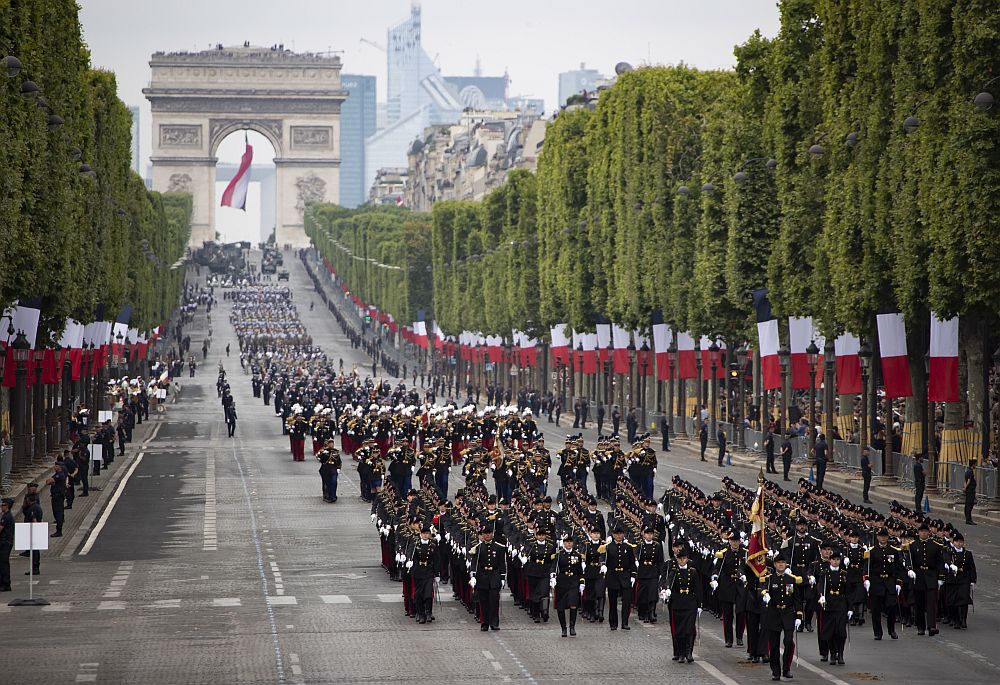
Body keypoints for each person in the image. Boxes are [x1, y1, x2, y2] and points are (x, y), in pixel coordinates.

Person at [762, 554, 802, 681]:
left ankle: (786, 668)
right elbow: (763, 589)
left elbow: (796, 599)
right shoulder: (770, 579)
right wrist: (764, 594)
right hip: (774, 614)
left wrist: (799, 615)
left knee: (789, 641)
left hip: (788, 613)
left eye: (783, 563)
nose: (781, 565)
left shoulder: (791, 579)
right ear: (774, 565)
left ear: (786, 565)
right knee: (773, 645)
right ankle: (775, 671)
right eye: (778, 563)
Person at [661, 547, 703, 664]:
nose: (682, 561)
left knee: (689, 629)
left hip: (690, 603)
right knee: (679, 630)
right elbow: (669, 581)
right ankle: (680, 653)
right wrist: (667, 589)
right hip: (678, 603)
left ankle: (689, 652)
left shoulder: (693, 572)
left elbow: (698, 589)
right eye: (680, 559)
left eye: (684, 559)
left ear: (687, 559)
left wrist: (700, 605)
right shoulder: (674, 572)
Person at [865, 527, 903, 640]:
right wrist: (866, 579)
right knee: (876, 610)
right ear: (877, 537)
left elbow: (898, 568)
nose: (883, 538)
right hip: (876, 583)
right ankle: (878, 632)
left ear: (887, 537)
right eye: (881, 536)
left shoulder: (893, 551)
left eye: (885, 536)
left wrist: (898, 582)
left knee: (891, 607)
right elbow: (867, 568)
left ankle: (891, 630)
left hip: (889, 582)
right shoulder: (871, 551)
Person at [907, 521, 943, 636]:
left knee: (931, 603)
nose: (923, 533)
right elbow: (909, 560)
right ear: (918, 533)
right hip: (918, 576)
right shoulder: (913, 546)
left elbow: (939, 563)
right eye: (922, 532)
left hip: (931, 576)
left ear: (929, 532)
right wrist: (910, 570)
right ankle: (920, 626)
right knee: (919, 603)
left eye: (925, 532)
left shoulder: (935, 546)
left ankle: (932, 626)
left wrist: (940, 577)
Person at [469, 525, 506, 631]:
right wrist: (473, 576)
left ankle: (494, 622)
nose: (488, 535)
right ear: (482, 535)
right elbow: (474, 563)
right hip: (482, 576)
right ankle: (484, 622)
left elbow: (501, 563)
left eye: (489, 533)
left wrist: (503, 577)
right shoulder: (478, 548)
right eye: (485, 533)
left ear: (492, 534)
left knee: (494, 601)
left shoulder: (499, 547)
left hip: (494, 576)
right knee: (484, 601)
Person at [816, 549, 849, 665]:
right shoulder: (825, 573)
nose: (835, 562)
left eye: (837, 560)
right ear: (830, 561)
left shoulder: (844, 574)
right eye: (833, 559)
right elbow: (820, 586)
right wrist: (821, 596)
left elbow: (848, 591)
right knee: (830, 631)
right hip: (829, 604)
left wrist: (850, 608)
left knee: (841, 631)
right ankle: (833, 653)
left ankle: (840, 654)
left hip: (840, 604)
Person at [605, 525, 637, 631]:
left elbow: (633, 563)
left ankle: (625, 623)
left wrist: (633, 575)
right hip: (613, 576)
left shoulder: (628, 547)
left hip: (625, 576)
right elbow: (604, 560)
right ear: (613, 535)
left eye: (621, 534)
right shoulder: (608, 547)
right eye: (617, 534)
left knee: (626, 601)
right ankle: (613, 623)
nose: (619, 536)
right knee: (613, 602)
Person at [552, 533, 585, 637]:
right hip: (562, 581)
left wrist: (581, 582)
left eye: (570, 542)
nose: (569, 544)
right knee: (561, 606)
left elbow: (580, 571)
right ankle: (563, 628)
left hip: (573, 582)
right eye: (566, 542)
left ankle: (572, 627)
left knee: (573, 604)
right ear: (563, 543)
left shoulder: (577, 555)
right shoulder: (559, 555)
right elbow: (554, 567)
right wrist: (553, 577)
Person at [943, 532, 975, 629]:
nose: (959, 544)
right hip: (953, 579)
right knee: (953, 600)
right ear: (954, 542)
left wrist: (973, 580)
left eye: (961, 542)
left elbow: (972, 568)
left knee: (964, 599)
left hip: (964, 578)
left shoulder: (968, 554)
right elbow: (946, 560)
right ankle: (956, 620)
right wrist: (950, 565)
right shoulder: (949, 552)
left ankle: (963, 619)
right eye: (957, 541)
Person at [410, 525, 439, 624]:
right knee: (419, 594)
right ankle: (421, 614)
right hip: (418, 571)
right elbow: (411, 553)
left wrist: (437, 573)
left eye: (427, 534)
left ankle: (428, 612)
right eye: (424, 534)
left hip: (428, 571)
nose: (426, 536)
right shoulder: (416, 544)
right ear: (421, 534)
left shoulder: (433, 544)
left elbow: (436, 559)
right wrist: (409, 561)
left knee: (428, 594)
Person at [21, 493, 42, 575]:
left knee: (34, 551)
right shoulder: (37, 506)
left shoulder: (33, 508)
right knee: (34, 551)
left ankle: (35, 568)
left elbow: (34, 519)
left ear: (28, 500)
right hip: (34, 531)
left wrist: (34, 531)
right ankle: (35, 568)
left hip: (33, 531)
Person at [46, 463, 67, 537]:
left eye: (56, 466)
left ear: (60, 467)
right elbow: (48, 481)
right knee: (57, 513)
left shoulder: (59, 475)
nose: (54, 467)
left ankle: (59, 531)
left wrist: (52, 482)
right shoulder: (57, 474)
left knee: (58, 513)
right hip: (56, 496)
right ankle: (58, 529)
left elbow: (48, 482)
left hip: (58, 497)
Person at [0, 497, 14, 591]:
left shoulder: (6, 516)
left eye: (3, 505)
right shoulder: (6, 515)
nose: (1, 507)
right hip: (5, 542)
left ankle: (6, 584)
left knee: (3, 563)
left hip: (5, 543)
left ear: (7, 506)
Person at [964, 459, 977, 525]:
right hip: (970, 490)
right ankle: (968, 519)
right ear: (973, 464)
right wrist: (965, 487)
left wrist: (964, 487)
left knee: (967, 504)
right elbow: (968, 481)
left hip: (969, 490)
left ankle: (968, 518)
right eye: (975, 464)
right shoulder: (970, 471)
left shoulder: (967, 471)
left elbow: (965, 481)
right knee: (969, 505)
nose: (976, 465)